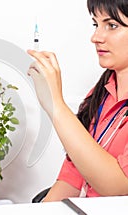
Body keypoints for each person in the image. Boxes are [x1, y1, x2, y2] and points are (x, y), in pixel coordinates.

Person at [27, 0, 128, 201]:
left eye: (112, 25)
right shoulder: (100, 93)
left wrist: (56, 103)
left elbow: (117, 186)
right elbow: (73, 175)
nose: (96, 37)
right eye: (95, 24)